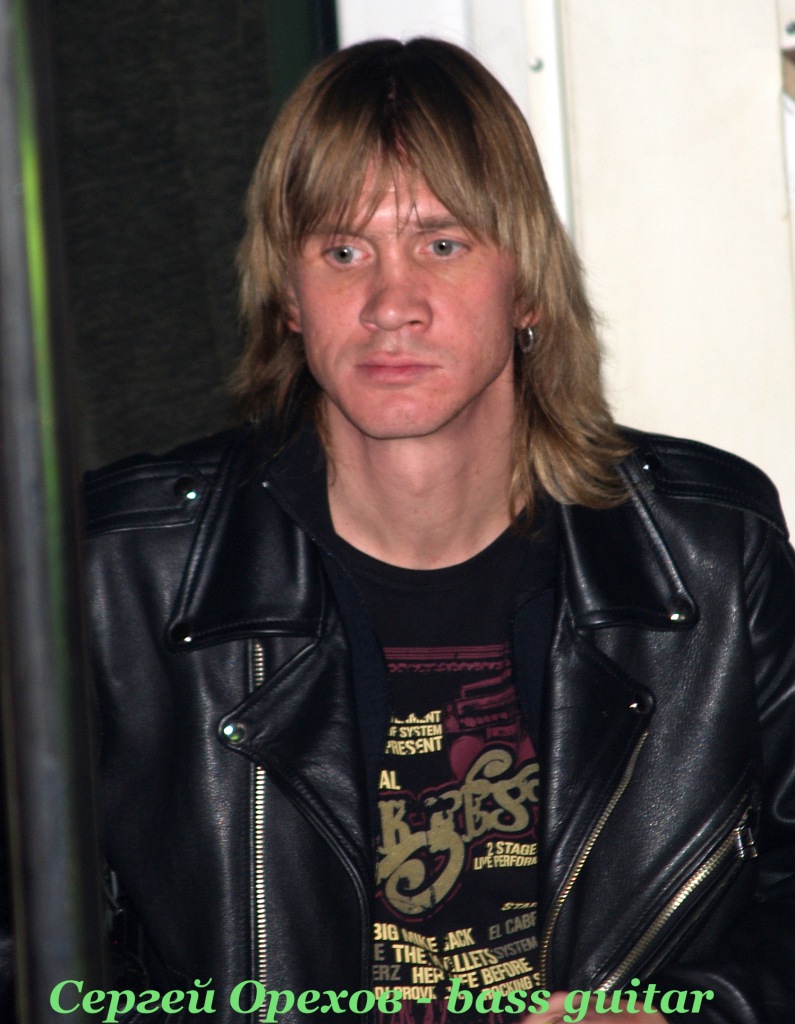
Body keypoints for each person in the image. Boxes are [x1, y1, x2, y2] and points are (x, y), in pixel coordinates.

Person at [79, 37, 794, 1024]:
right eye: (343, 251)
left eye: (442, 244)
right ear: (289, 297)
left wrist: (686, 1014)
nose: (391, 305)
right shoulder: (125, 569)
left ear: (527, 285)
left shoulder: (707, 549)